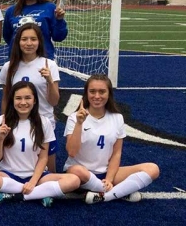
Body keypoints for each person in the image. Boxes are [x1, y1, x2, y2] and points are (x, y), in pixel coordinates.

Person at [0, 81, 79, 207]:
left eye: (28, 98)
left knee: (74, 180)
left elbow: (44, 157)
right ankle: (40, 193)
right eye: (18, 98)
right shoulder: (0, 121)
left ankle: (15, 195)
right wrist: (0, 139)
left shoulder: (44, 122)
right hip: (9, 175)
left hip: (37, 176)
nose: (23, 102)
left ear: (35, 101)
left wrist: (33, 182)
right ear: (12, 100)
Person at [65, 74, 160, 204]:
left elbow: (116, 153)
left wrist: (109, 179)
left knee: (152, 169)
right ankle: (119, 192)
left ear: (109, 94)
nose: (97, 96)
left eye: (102, 91)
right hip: (81, 174)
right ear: (86, 93)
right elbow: (72, 152)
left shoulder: (117, 118)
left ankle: (104, 195)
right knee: (77, 170)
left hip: (106, 172)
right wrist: (79, 123)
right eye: (92, 91)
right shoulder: (74, 117)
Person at [0, 23, 60, 172]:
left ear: (39, 41)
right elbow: (6, 98)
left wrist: (50, 81)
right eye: (24, 39)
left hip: (43, 122)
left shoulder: (49, 65)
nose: (29, 43)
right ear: (18, 42)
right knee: (19, 167)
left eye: (33, 39)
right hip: (17, 123)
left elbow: (54, 101)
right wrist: (5, 120)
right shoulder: (9, 66)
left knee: (49, 170)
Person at [3, 0, 67, 60]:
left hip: (43, 59)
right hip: (17, 60)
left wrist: (59, 20)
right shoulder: (11, 11)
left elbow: (59, 37)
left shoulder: (50, 8)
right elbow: (8, 36)